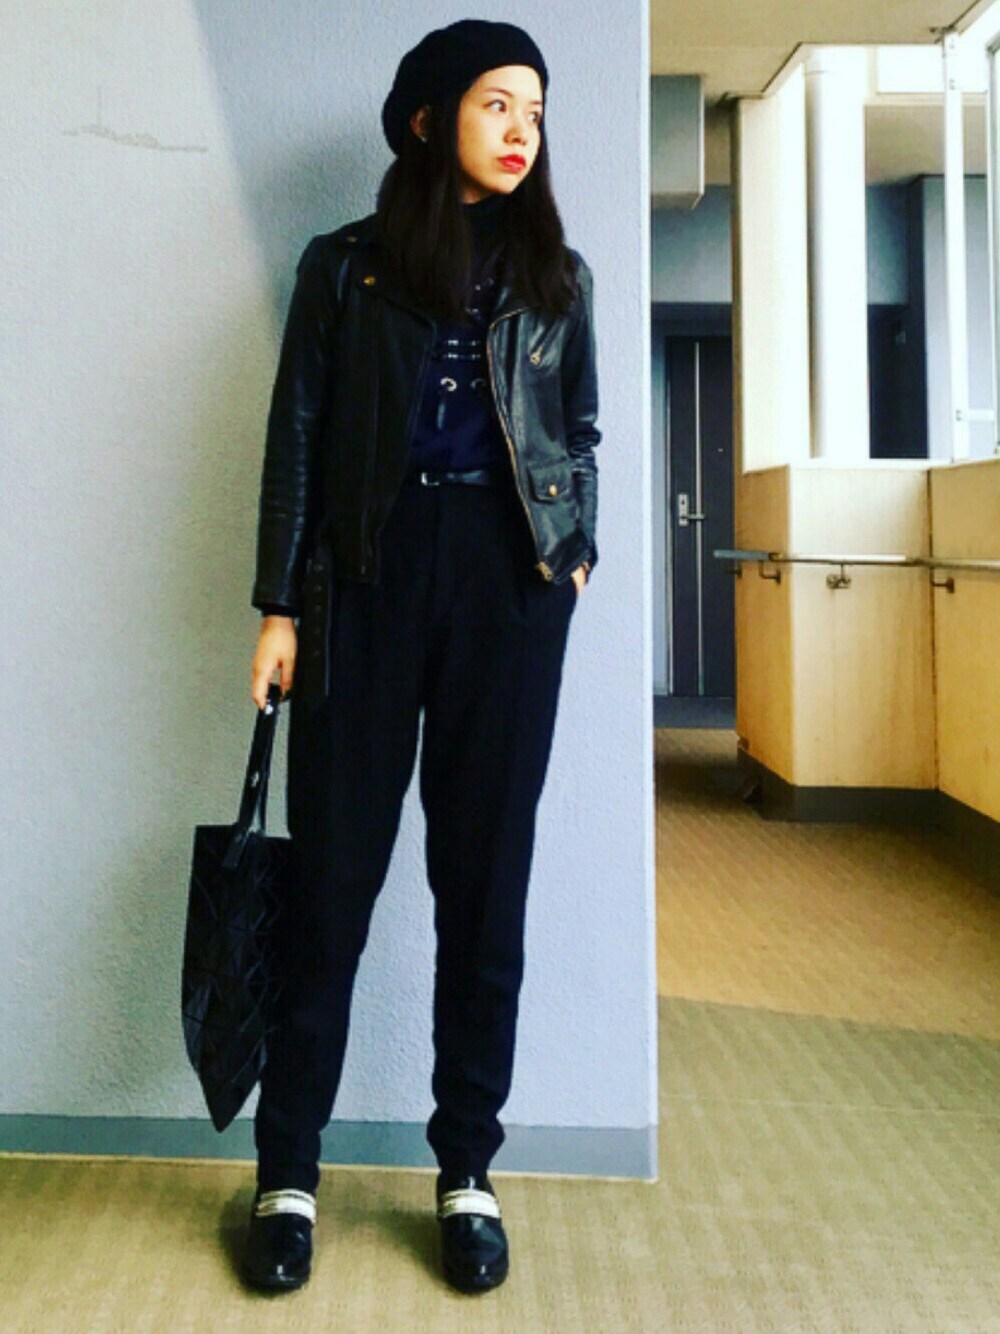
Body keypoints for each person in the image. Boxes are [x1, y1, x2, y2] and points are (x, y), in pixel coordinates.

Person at [241, 18, 601, 1296]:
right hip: (366, 584)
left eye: (535, 111)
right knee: (330, 887)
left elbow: (578, 431)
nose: (520, 130)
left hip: (508, 591)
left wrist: (571, 557)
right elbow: (297, 435)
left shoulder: (559, 277)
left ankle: (467, 1172)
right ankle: (288, 1173)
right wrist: (277, 606)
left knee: (484, 886)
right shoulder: (346, 270)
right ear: (428, 117)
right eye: (497, 103)